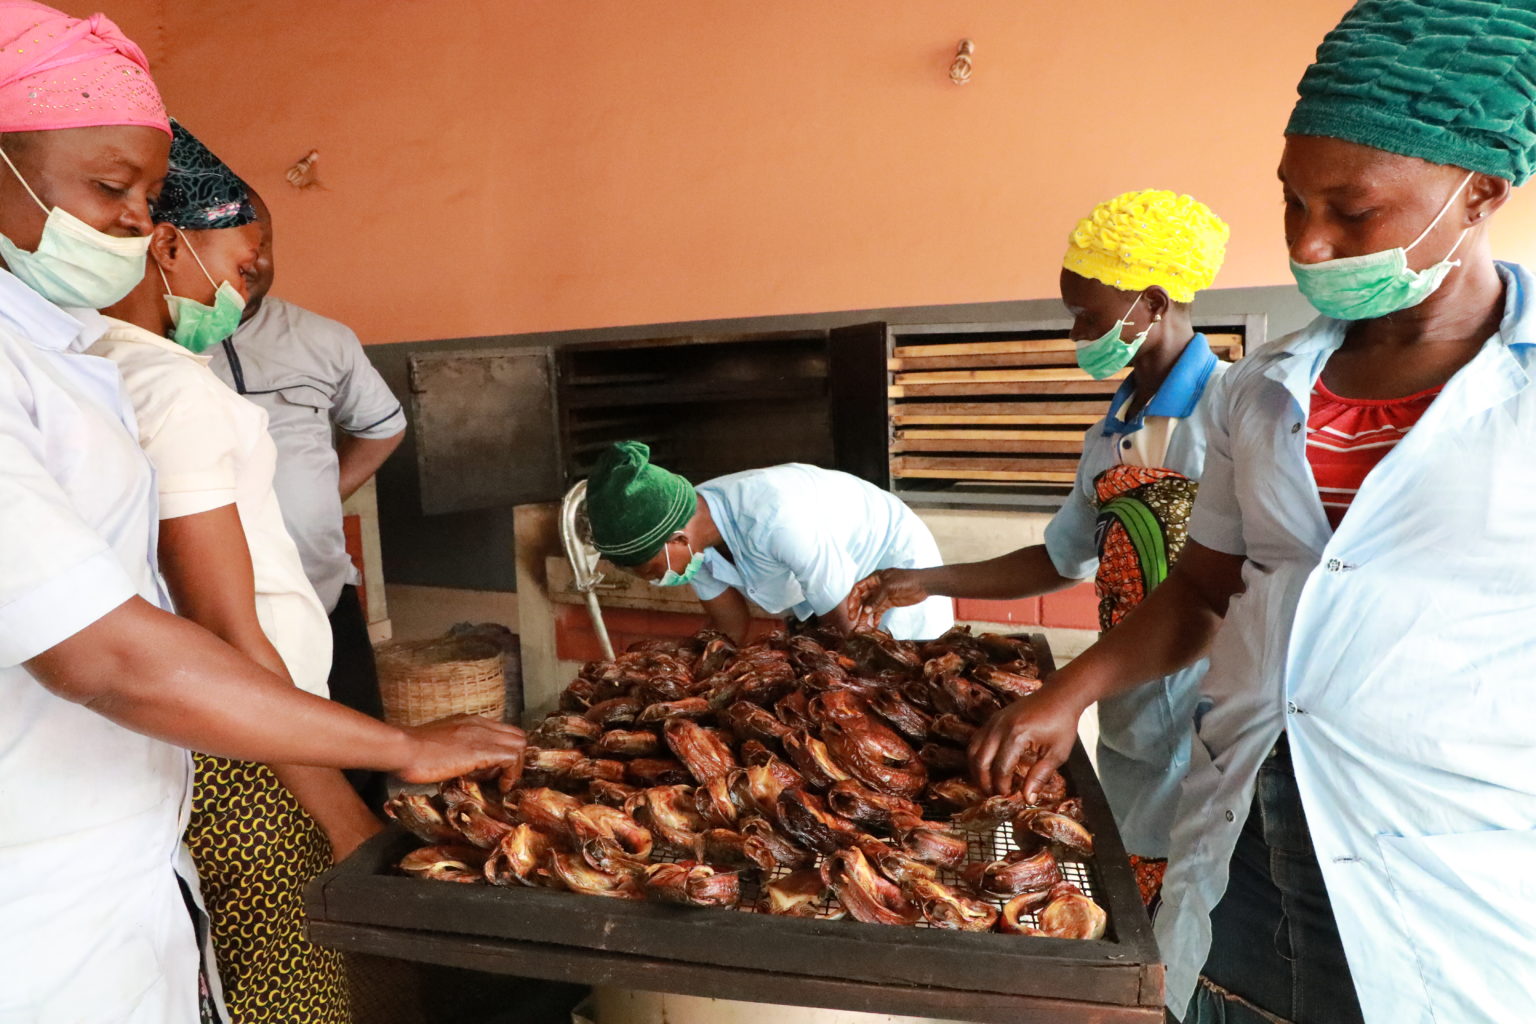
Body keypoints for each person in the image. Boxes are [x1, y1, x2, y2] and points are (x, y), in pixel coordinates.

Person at [966, 1, 1536, 1021]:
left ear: (1480, 191)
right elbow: (1203, 587)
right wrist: (1071, 694)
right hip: (1242, 842)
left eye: (1352, 213)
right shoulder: (1264, 389)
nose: (1310, 243)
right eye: (1291, 203)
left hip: (1448, 876)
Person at [0, 7, 524, 1021]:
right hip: (47, 877)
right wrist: (384, 758)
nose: (132, 225)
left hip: (124, 833)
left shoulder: (68, 359)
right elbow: (110, 651)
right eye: (110, 190)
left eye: (147, 198)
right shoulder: (125, 377)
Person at [849, 189, 1230, 864]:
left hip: (1218, 717)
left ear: (1152, 302)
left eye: (1088, 316)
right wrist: (926, 581)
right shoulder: (1110, 435)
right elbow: (1061, 560)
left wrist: (1065, 692)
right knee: (1140, 873)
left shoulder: (1231, 411)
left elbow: (1213, 596)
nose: (1078, 335)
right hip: (1132, 711)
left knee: (1209, 887)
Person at [94, 120, 374, 1023]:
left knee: (220, 976)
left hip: (205, 738)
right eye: (244, 267)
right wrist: (341, 810)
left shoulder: (93, 370)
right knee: (289, 991)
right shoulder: (169, 389)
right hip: (245, 752)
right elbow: (228, 628)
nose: (247, 291)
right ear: (169, 244)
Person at [208, 191, 404, 809]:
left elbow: (382, 426)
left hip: (322, 594)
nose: (255, 261)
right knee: (255, 786)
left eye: (264, 245)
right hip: (213, 616)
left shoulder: (322, 339)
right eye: (242, 247)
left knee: (358, 768)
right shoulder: (159, 348)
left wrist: (326, 493)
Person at [584, 441, 954, 641]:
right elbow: (730, 627)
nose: (654, 581)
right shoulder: (692, 538)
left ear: (676, 539)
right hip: (826, 590)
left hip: (888, 564)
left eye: (650, 570)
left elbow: (847, 631)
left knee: (898, 680)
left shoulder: (776, 518)